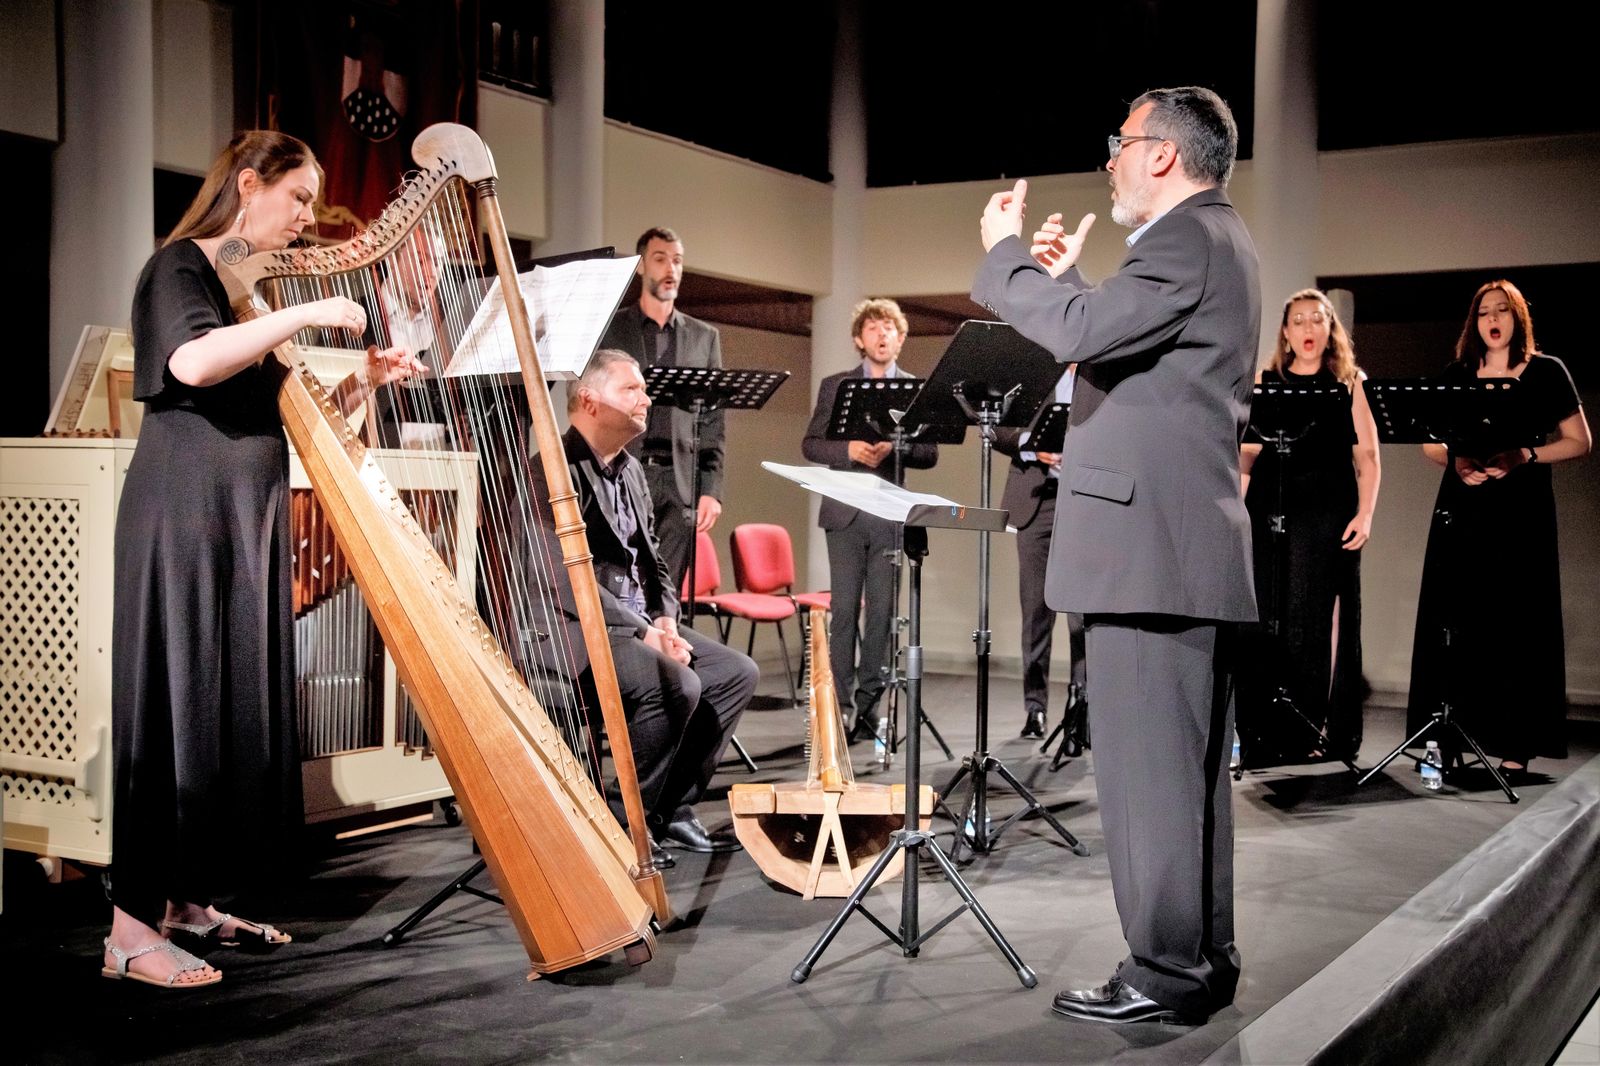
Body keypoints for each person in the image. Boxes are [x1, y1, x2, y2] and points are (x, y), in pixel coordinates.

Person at [107, 131, 426, 988]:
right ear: (248, 184)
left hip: (239, 523)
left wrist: (364, 384)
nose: (305, 219)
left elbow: (282, 419)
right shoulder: (180, 269)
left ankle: (186, 901)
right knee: (172, 705)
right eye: (296, 198)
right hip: (183, 517)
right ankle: (129, 932)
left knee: (215, 709)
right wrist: (312, 312)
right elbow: (191, 363)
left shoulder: (240, 297)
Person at [972, 86, 1259, 1025]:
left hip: (1152, 555)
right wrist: (1060, 286)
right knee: (1186, 779)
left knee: (1149, 783)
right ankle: (1198, 961)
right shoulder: (1219, 240)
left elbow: (1087, 334)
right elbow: (1113, 336)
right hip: (1179, 551)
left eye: (1120, 143)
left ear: (1163, 154)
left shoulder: (1184, 239)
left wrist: (1005, 256)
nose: (1110, 161)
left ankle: (1164, 972)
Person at [529, 350, 758, 861]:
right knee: (676, 681)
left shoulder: (632, 470)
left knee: (734, 671)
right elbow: (561, 574)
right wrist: (640, 632)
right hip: (574, 626)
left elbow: (653, 561)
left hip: (635, 621)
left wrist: (665, 620)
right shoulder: (551, 467)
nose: (646, 398)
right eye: (630, 390)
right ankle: (619, 819)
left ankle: (668, 808)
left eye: (643, 389)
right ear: (588, 400)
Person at [1405, 280, 1590, 776]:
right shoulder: (1458, 373)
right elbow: (1429, 443)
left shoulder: (1547, 371)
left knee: (1517, 623)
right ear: (1475, 322)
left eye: (1502, 310)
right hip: (1465, 507)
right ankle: (1450, 739)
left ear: (1517, 318)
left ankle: (1514, 743)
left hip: (1520, 510)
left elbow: (1579, 440)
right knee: (1459, 620)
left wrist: (1525, 455)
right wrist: (1459, 460)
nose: (1493, 318)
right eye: (1484, 311)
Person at [1236, 289, 1379, 766]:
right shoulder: (1266, 381)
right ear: (1286, 331)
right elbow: (1247, 457)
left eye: (1317, 320)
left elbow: (1369, 459)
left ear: (1329, 329)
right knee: (1263, 617)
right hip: (1269, 513)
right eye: (1298, 321)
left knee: (1310, 622)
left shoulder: (1349, 382)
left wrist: (1366, 514)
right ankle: (1260, 728)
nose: (1308, 329)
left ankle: (1308, 727)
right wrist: (1233, 512)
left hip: (1326, 514)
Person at [801, 298, 938, 741]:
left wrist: (894, 448)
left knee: (881, 613)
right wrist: (849, 451)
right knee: (844, 612)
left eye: (891, 328)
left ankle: (869, 706)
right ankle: (837, 706)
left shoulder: (915, 389)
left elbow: (930, 453)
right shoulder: (835, 384)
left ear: (901, 337)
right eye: (874, 328)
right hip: (843, 513)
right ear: (860, 339)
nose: (883, 335)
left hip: (888, 516)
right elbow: (811, 445)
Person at [599, 227, 726, 593]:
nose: (670, 268)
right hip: (622, 471)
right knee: (620, 581)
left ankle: (662, 652)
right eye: (660, 259)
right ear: (640, 266)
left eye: (677, 260)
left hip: (680, 481)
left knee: (665, 591)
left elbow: (713, 420)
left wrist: (711, 489)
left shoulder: (705, 337)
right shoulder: (612, 328)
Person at [994, 367, 1088, 746]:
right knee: (1036, 610)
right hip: (1037, 502)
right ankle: (1035, 706)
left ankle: (1080, 703)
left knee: (1083, 614)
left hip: (1085, 501)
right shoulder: (1033, 374)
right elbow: (996, 428)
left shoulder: (1099, 376)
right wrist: (1035, 445)